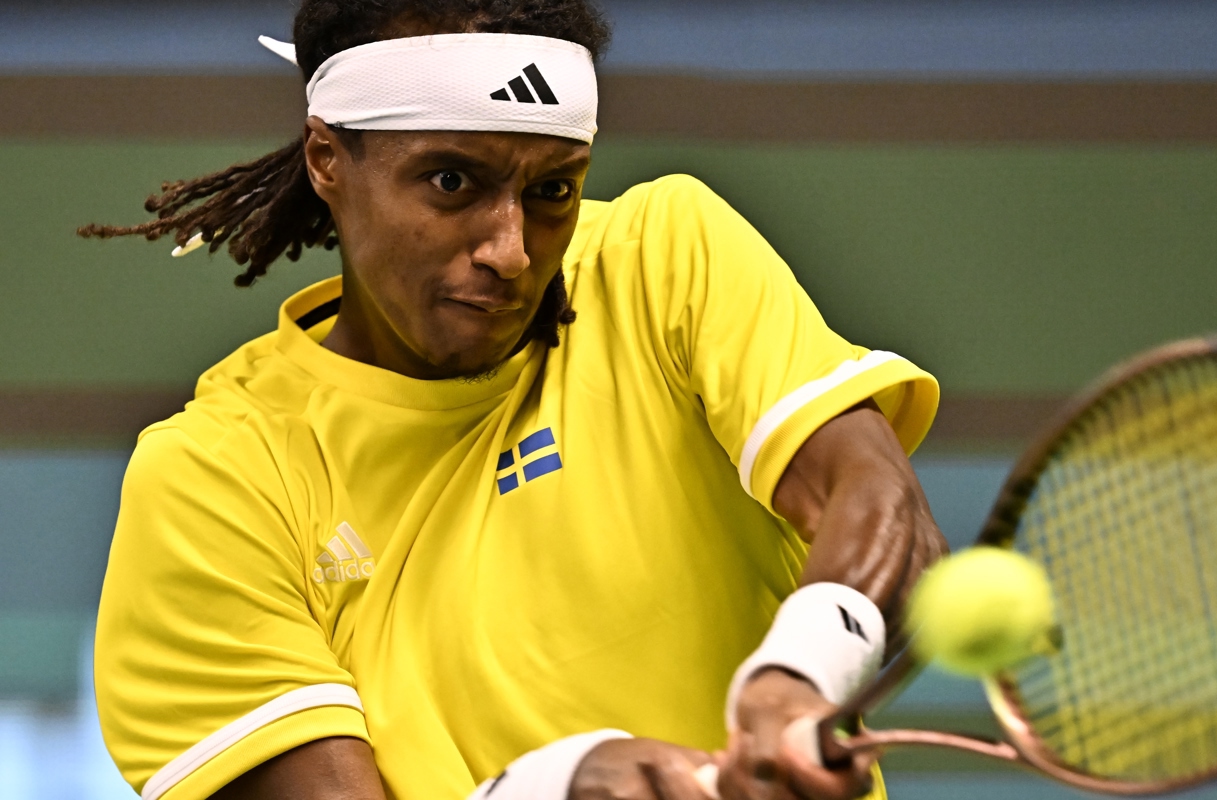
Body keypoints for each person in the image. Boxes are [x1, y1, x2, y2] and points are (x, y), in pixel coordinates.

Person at [82, 2, 946, 799]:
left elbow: (880, 506)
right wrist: (550, 784)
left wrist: (797, 674)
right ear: (326, 159)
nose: (511, 250)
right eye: (452, 182)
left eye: (552, 191)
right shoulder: (212, 474)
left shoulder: (661, 256)